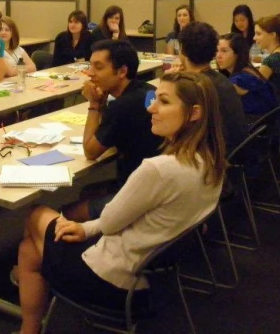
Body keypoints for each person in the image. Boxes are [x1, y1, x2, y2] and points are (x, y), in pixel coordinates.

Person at [13, 72, 227, 334]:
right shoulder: (212, 162)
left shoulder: (159, 169)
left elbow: (111, 222)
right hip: (157, 278)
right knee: (32, 249)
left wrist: (85, 228)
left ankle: (29, 325)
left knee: (35, 216)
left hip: (116, 282)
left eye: (164, 101)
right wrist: (85, 229)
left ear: (194, 113)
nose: (151, 107)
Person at [63, 40, 162, 222]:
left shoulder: (122, 106)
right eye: (90, 66)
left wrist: (94, 104)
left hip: (139, 196)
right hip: (158, 187)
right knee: (87, 191)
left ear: (122, 71)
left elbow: (90, 151)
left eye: (98, 67)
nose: (90, 73)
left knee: (66, 214)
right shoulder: (148, 90)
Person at [175, 21, 248, 151]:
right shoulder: (220, 79)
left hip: (213, 155)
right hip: (235, 149)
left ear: (183, 51)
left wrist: (170, 81)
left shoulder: (194, 87)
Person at [216, 33, 278, 117]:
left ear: (238, 54)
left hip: (254, 125)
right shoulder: (248, 69)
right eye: (217, 51)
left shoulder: (239, 80)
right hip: (265, 122)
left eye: (224, 51)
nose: (218, 56)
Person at [0, 13, 36, 77]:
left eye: (7, 30)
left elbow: (33, 67)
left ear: (13, 33)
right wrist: (25, 68)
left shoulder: (18, 49)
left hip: (19, 81)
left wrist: (17, 70)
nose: (3, 32)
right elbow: (10, 73)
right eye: (0, 30)